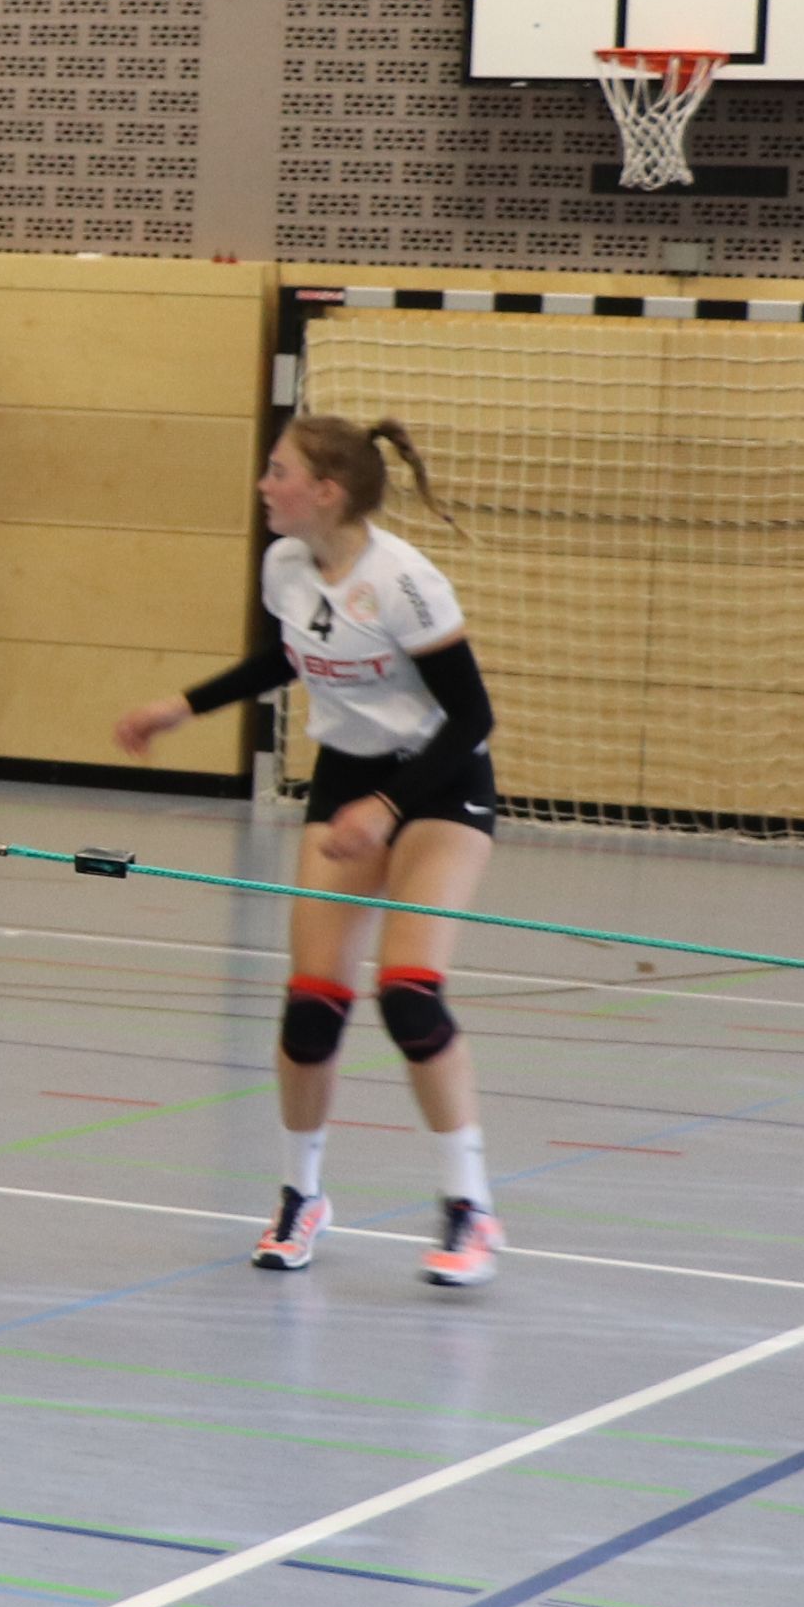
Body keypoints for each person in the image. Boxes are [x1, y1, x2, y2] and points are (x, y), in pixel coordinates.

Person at [117, 409, 505, 1290]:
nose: (265, 485)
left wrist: (389, 807)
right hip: (347, 780)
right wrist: (182, 706)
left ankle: (470, 1206)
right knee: (312, 1008)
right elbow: (292, 654)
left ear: (326, 492)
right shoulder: (287, 563)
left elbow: (472, 716)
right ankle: (302, 1196)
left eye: (279, 471)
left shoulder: (406, 583)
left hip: (440, 784)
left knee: (409, 995)